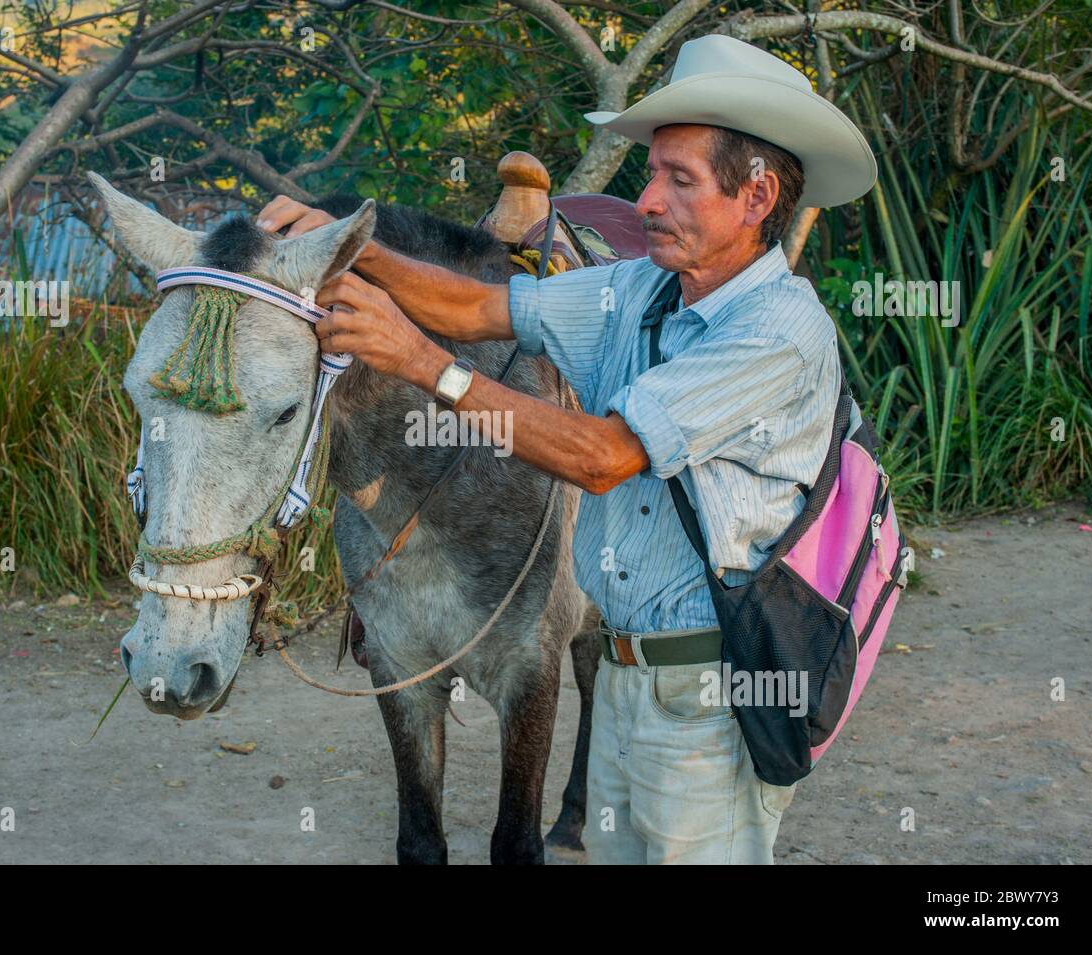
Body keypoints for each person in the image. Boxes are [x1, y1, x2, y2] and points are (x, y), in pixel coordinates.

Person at [255, 34, 876, 864]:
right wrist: (351, 247)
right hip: (622, 683)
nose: (647, 199)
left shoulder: (779, 331)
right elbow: (482, 308)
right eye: (651, 173)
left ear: (757, 195)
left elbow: (603, 455)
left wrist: (420, 362)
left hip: (707, 696)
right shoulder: (642, 291)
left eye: (677, 179)